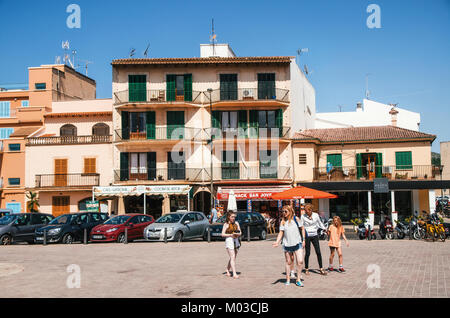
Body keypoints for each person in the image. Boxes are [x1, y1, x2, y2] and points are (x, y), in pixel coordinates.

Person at [272, 205, 306, 287]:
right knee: (289, 262)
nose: (284, 213)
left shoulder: (296, 219)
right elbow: (281, 232)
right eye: (282, 211)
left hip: (297, 243)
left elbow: (302, 228)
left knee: (300, 261)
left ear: (290, 211)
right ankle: (288, 279)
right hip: (287, 244)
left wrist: (304, 239)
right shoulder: (283, 221)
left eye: (285, 211)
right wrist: (277, 241)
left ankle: (298, 280)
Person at [301, 203, 328, 275]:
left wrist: (324, 229)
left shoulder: (316, 215)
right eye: (305, 210)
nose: (305, 212)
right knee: (308, 253)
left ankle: (321, 268)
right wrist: (303, 237)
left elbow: (320, 223)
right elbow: (302, 226)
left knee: (318, 252)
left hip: (315, 235)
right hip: (307, 235)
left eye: (307, 210)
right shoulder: (303, 216)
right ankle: (306, 268)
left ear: (310, 210)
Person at [221, 211, 242, 279]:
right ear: (228, 217)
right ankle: (234, 274)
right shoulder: (226, 224)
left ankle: (227, 270)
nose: (233, 218)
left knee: (233, 257)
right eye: (232, 217)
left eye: (234, 217)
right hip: (229, 241)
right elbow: (222, 234)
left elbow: (240, 232)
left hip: (236, 241)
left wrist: (237, 234)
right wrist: (230, 235)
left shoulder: (236, 223)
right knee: (232, 257)